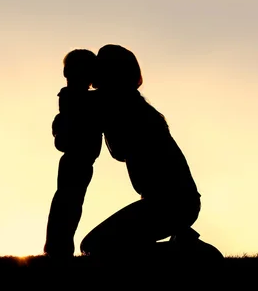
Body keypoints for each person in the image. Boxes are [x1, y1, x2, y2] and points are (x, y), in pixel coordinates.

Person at [80, 44, 217, 260]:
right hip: (172, 202)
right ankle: (183, 245)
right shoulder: (128, 103)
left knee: (95, 246)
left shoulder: (121, 105)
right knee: (101, 245)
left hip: (170, 204)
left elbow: (76, 100)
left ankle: (188, 252)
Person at [44, 49, 103, 259]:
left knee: (68, 200)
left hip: (80, 158)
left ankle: (58, 247)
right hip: (77, 157)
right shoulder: (78, 97)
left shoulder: (78, 97)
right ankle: (57, 248)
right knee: (68, 201)